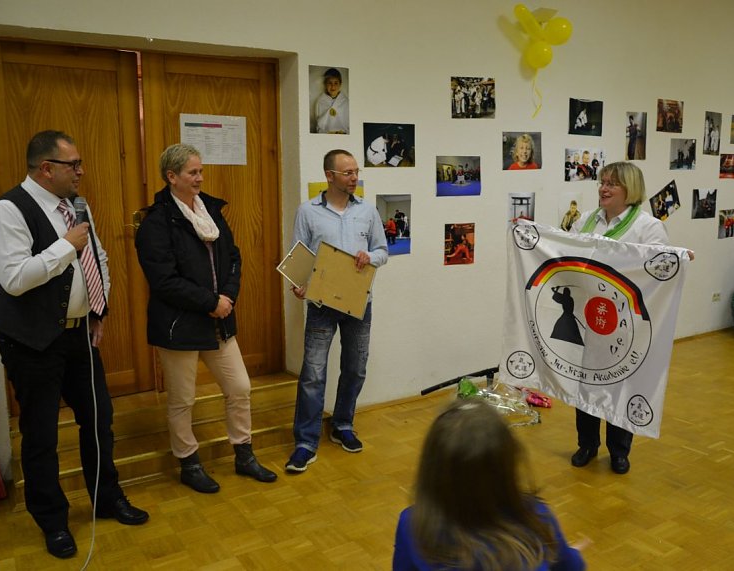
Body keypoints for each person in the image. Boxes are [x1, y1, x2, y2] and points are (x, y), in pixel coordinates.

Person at [0, 130, 149, 559]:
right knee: (40, 436)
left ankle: (106, 499)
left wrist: (99, 308)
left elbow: (96, 257)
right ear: (46, 168)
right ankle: (52, 521)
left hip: (79, 335)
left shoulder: (75, 205)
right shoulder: (7, 210)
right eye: (73, 164)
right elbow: (15, 280)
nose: (81, 171)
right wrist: (63, 246)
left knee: (99, 420)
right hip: (31, 342)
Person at [135, 143, 277, 493]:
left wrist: (226, 297)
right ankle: (189, 463)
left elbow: (234, 258)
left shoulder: (211, 210)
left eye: (200, 171)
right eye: (193, 172)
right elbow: (164, 281)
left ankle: (244, 456)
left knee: (240, 388)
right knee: (182, 399)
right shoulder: (156, 222)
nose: (200, 178)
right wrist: (211, 301)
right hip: (179, 325)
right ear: (172, 177)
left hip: (219, 318)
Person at [285, 149, 389, 472]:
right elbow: (299, 255)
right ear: (330, 176)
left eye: (356, 172)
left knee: (356, 368)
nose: (354, 177)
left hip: (359, 303)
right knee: (313, 375)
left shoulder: (368, 212)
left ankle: (342, 425)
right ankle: (305, 442)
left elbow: (383, 251)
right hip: (320, 305)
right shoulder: (308, 212)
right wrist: (300, 285)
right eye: (348, 173)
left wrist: (368, 257)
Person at [393, 399, 586, 570]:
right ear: (507, 464)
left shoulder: (412, 524)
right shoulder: (535, 515)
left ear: (432, 467)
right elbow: (570, 565)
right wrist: (574, 555)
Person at [570, 162, 670, 475]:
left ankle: (619, 451)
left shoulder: (647, 227)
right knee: (586, 386)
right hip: (588, 316)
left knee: (620, 385)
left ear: (630, 189)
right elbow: (564, 252)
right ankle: (587, 444)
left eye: (612, 183)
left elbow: (659, 269)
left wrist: (678, 259)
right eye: (602, 182)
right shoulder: (587, 221)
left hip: (625, 322)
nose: (603, 188)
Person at [314, 67, 349, 134]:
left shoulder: (346, 102)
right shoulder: (320, 102)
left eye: (336, 83)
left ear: (340, 84)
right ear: (325, 84)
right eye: (330, 83)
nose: (333, 86)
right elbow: (319, 124)